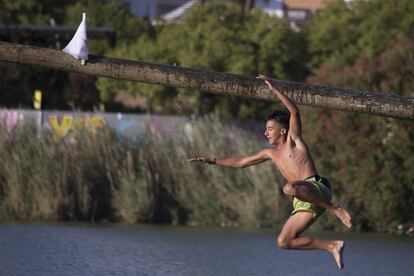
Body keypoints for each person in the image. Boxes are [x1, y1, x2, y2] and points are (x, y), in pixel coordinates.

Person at [189, 74, 352, 269]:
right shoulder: (270, 153)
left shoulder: (295, 141)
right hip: (303, 199)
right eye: (265, 129)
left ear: (282, 131)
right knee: (284, 241)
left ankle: (335, 209)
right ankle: (332, 246)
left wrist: (274, 89)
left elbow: (294, 112)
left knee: (288, 188)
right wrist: (213, 161)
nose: (266, 133)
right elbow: (241, 162)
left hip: (317, 187)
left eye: (270, 128)